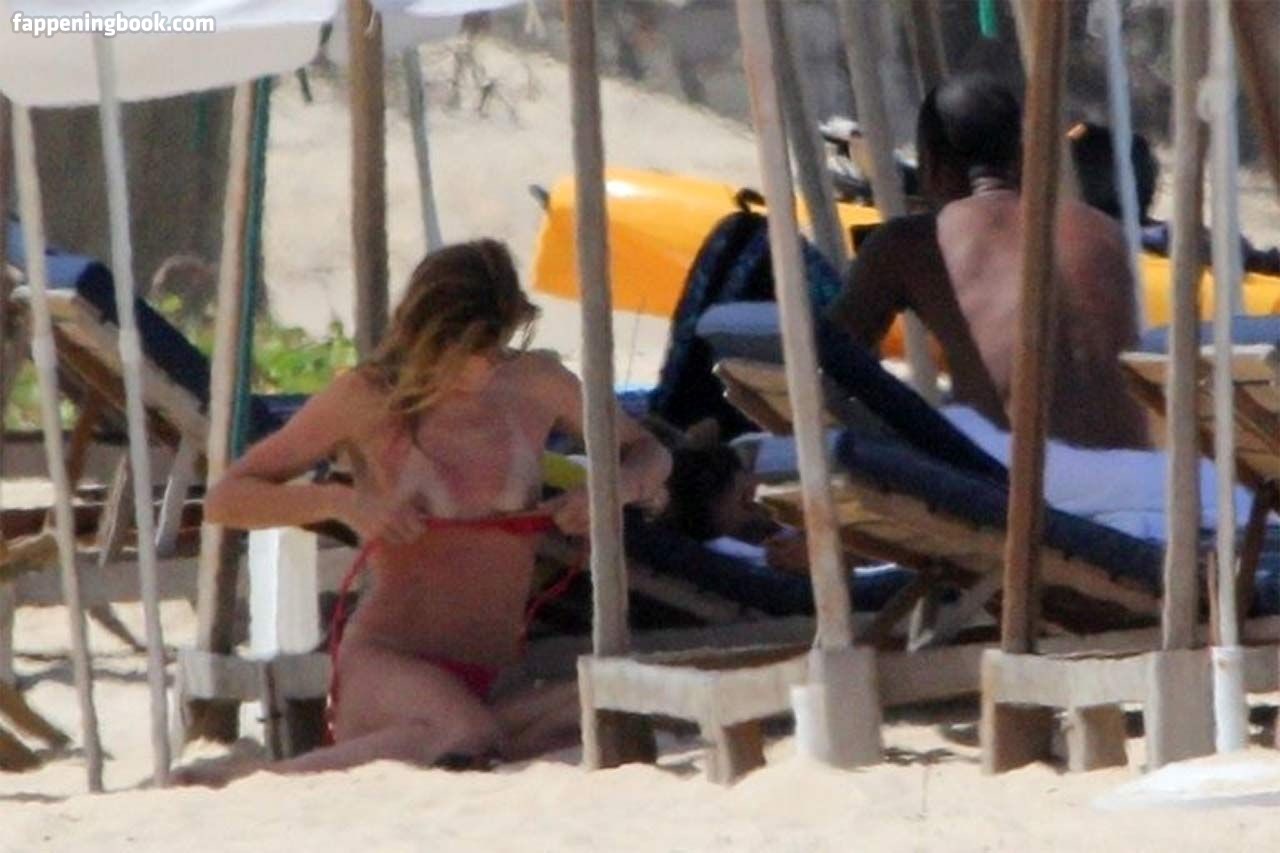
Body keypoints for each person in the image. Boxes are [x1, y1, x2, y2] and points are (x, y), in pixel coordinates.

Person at [186, 240, 671, 783]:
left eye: (495, 348)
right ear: (430, 334)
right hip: (388, 665)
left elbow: (650, 452)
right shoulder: (366, 396)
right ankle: (261, 782)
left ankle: (394, 751)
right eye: (469, 350)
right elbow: (226, 499)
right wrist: (341, 502)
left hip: (494, 674)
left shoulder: (538, 383)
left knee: (620, 716)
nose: (484, 366)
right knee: (464, 735)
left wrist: (611, 494)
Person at [830, 74, 1150, 450]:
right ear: (1022, 156)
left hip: (1023, 472)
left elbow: (833, 361)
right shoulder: (1104, 230)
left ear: (931, 165)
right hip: (1139, 470)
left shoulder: (913, 242)